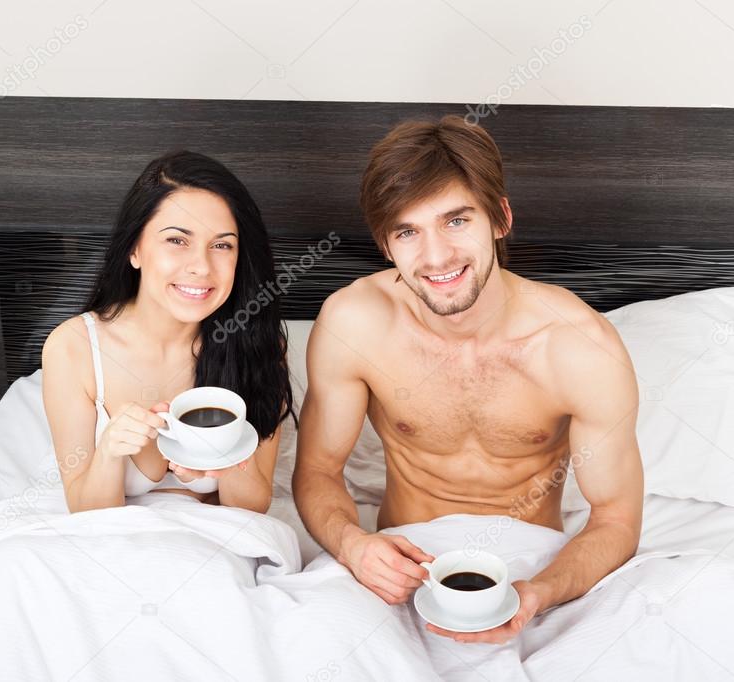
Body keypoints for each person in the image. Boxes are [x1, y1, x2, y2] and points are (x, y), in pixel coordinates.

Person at [292, 115, 644, 644]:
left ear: (500, 218)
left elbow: (616, 517)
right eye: (408, 232)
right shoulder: (354, 323)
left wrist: (539, 594)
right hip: (403, 557)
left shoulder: (580, 348)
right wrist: (353, 545)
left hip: (530, 562)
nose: (436, 257)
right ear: (385, 245)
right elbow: (318, 468)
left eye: (456, 221)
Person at [42, 150, 294, 514]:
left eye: (222, 245)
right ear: (134, 249)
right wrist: (110, 452)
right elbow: (85, 511)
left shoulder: (256, 344)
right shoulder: (73, 348)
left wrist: (226, 461)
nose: (201, 267)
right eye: (177, 240)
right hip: (109, 542)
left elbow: (253, 507)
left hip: (212, 547)